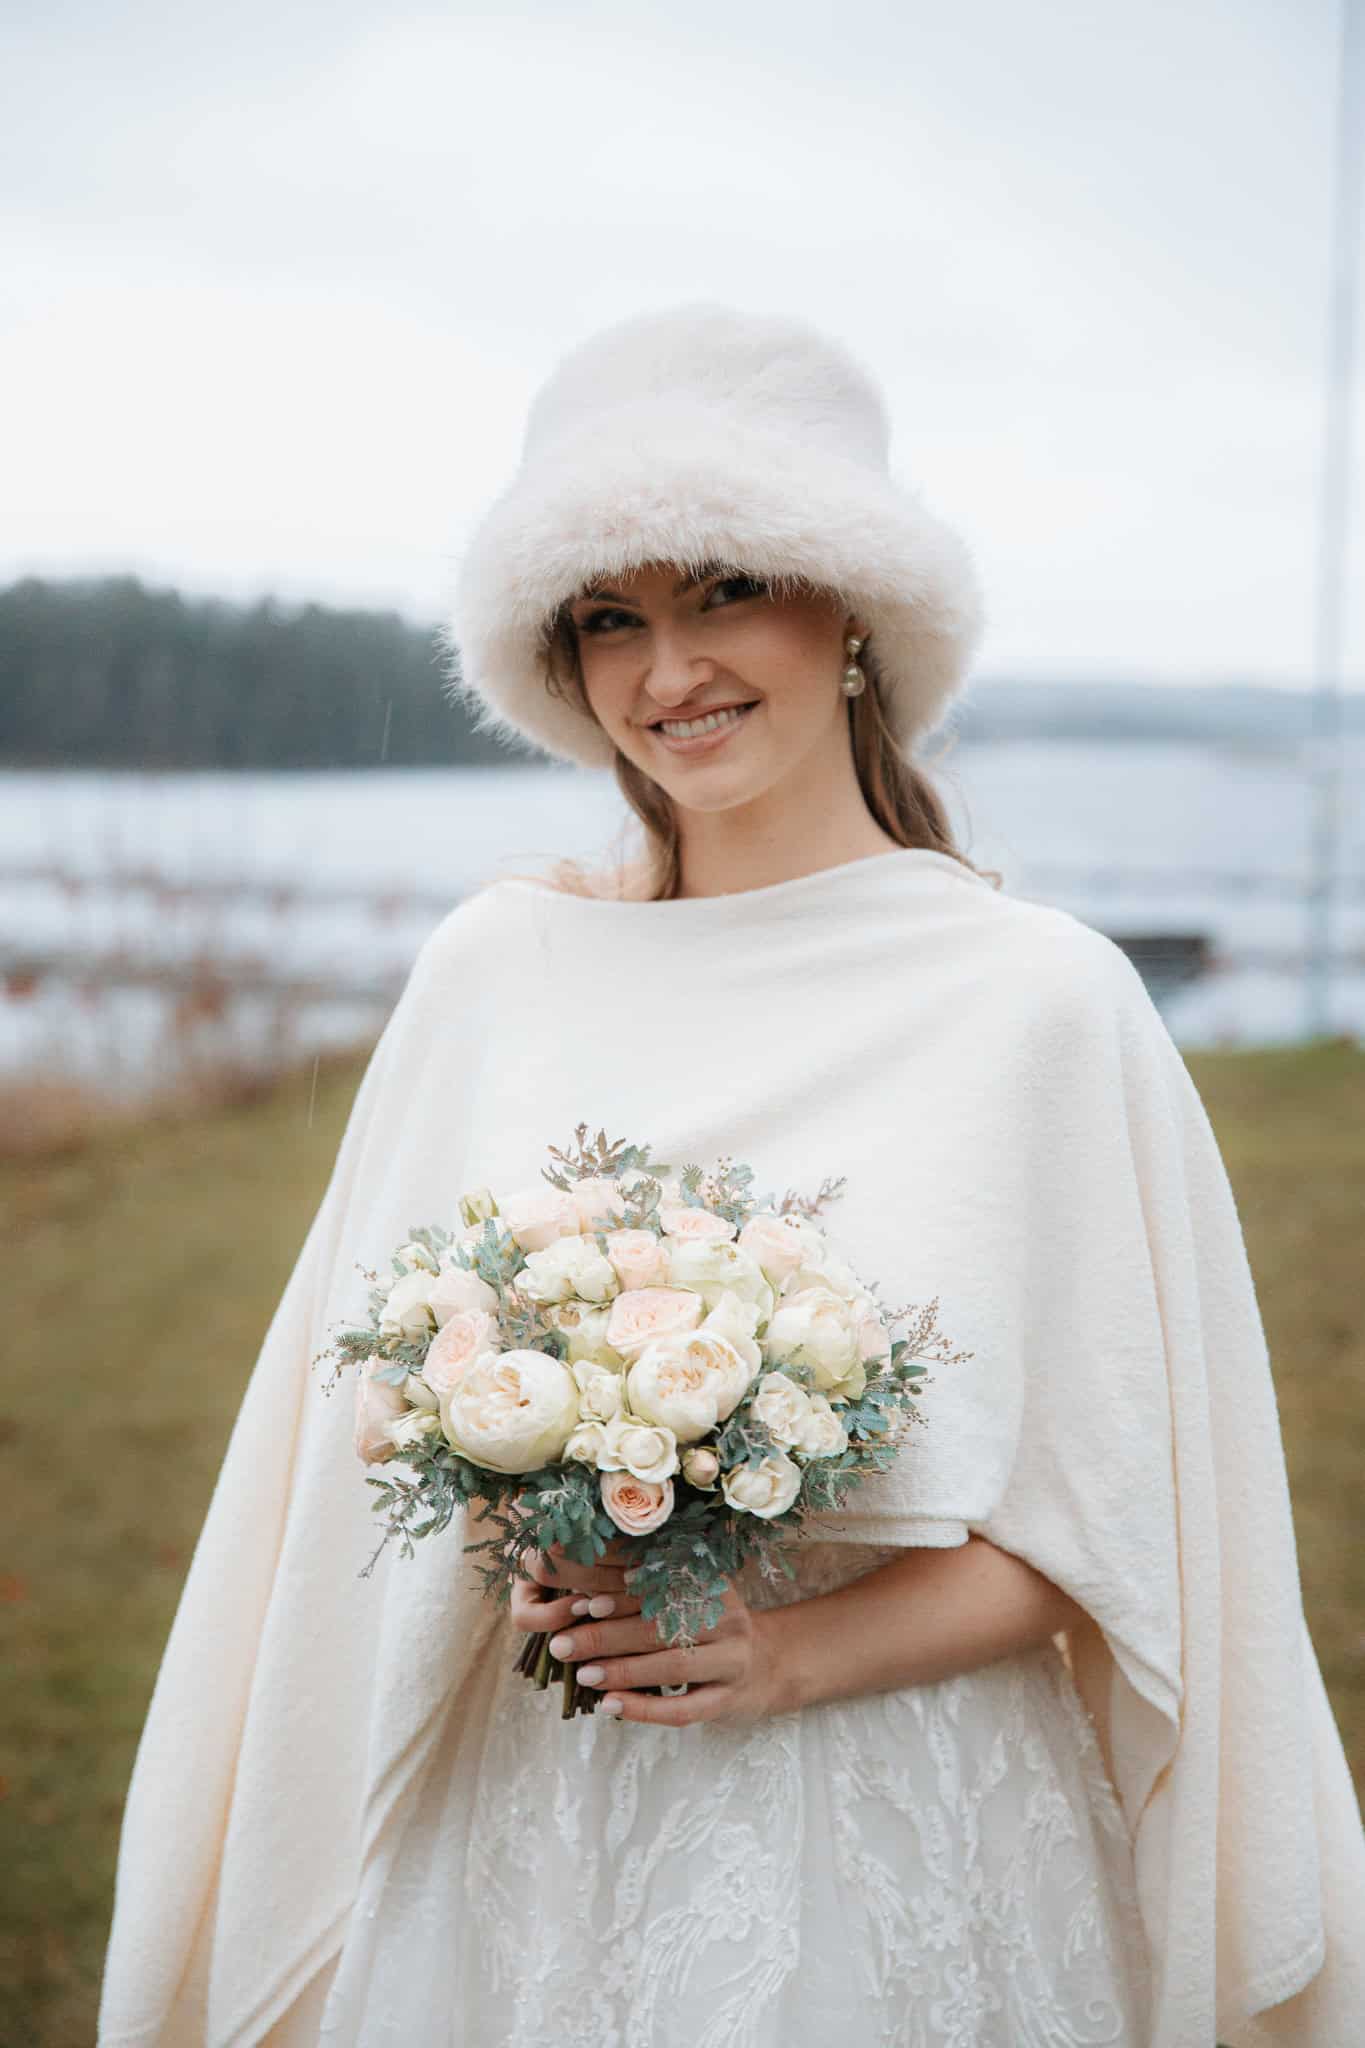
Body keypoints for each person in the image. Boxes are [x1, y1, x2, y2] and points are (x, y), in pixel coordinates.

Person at [98, 304, 1365, 2048]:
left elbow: (1124, 1528)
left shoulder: (1041, 1004)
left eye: (722, 591)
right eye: (608, 618)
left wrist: (782, 1659)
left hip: (898, 1835)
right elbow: (348, 1460)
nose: (666, 670)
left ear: (851, 613)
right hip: (527, 1828)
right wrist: (521, 1495)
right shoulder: (497, 972)